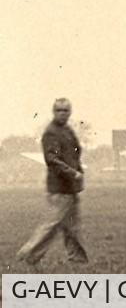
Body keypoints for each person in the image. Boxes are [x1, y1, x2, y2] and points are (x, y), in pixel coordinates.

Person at [15, 98, 88, 265]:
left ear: (70, 112)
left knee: (72, 226)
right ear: (54, 112)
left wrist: (78, 175)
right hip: (59, 188)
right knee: (50, 226)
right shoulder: (51, 132)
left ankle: (77, 258)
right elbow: (52, 159)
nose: (62, 114)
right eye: (59, 110)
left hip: (70, 188)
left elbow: (75, 153)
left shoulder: (67, 130)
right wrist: (72, 173)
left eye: (65, 111)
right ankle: (27, 256)